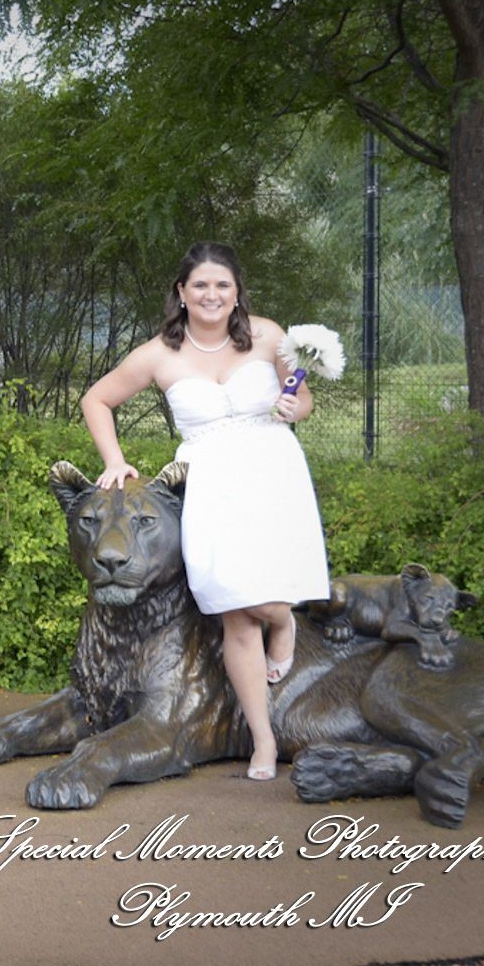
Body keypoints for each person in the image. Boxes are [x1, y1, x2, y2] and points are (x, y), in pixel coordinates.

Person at [80, 241, 330, 781]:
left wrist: (296, 406)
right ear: (181, 292)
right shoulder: (158, 354)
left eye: (222, 285)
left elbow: (303, 399)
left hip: (271, 472)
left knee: (264, 600)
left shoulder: (267, 335)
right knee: (232, 610)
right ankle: (263, 741)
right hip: (210, 485)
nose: (211, 294)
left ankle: (282, 619)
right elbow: (95, 399)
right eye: (200, 285)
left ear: (237, 291)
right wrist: (115, 461)